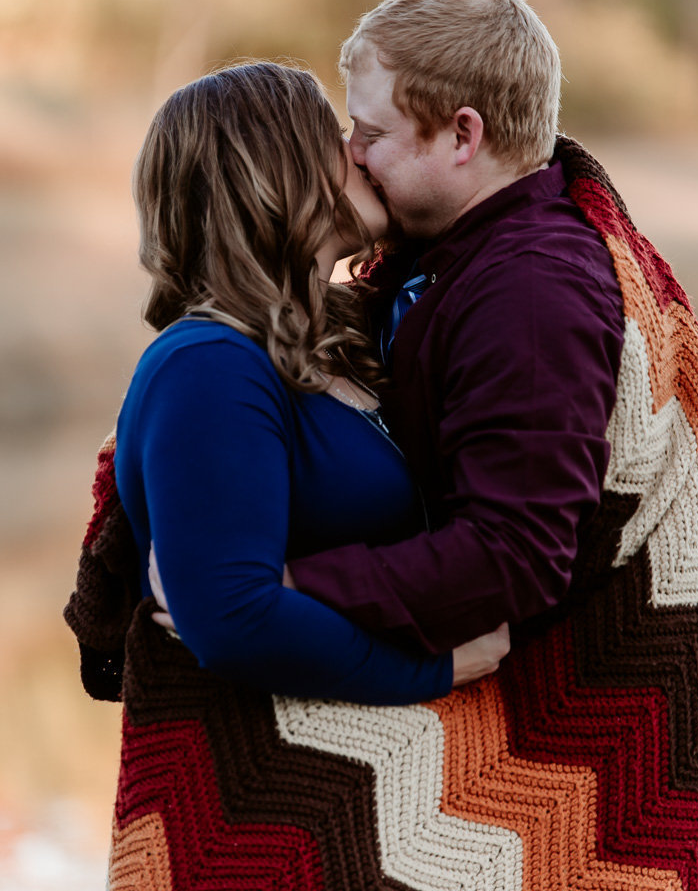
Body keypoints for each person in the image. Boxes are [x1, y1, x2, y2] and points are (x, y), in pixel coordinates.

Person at [275, 0, 698, 887]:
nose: (351, 156)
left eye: (371, 134)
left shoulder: (529, 293)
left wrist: (279, 589)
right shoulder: (454, 260)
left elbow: (513, 555)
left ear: (463, 134)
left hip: (582, 721)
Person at [64, 61, 509, 889]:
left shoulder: (337, 346)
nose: (360, 151)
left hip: (383, 812)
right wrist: (440, 668)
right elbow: (232, 616)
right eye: (334, 138)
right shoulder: (209, 366)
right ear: (274, 173)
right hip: (274, 831)